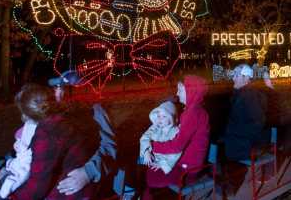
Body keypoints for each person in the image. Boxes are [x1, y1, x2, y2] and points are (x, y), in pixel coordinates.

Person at [47, 71, 130, 199]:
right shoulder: (55, 115)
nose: (57, 93)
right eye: (56, 88)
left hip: (88, 181)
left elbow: (110, 146)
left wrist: (88, 172)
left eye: (61, 88)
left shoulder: (95, 111)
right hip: (59, 179)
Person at [9, 83, 96, 199]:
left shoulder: (47, 133)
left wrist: (14, 197)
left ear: (27, 115)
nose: (59, 90)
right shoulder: (66, 114)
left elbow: (39, 184)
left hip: (70, 190)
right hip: (78, 178)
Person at [142, 75, 210, 200]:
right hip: (183, 163)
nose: (177, 93)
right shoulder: (192, 110)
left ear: (190, 91)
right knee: (149, 169)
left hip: (188, 169)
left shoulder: (193, 113)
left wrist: (152, 146)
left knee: (150, 174)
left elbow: (177, 146)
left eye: (180, 89)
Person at [223, 63, 269, 161]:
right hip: (239, 141)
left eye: (236, 75)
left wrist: (234, 133)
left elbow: (257, 123)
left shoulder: (250, 97)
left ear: (246, 79)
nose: (233, 78)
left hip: (245, 145)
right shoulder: (240, 95)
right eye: (233, 75)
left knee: (220, 156)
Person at [0, 117, 37, 200]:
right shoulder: (29, 126)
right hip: (13, 163)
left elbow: (21, 175)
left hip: (16, 168)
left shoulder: (28, 159)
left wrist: (3, 194)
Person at [138, 101, 181, 174]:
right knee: (138, 166)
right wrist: (146, 151)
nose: (160, 119)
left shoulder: (176, 132)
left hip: (164, 162)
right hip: (151, 156)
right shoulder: (155, 127)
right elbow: (145, 137)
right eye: (158, 116)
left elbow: (176, 153)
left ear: (171, 118)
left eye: (164, 116)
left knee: (150, 174)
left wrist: (162, 165)